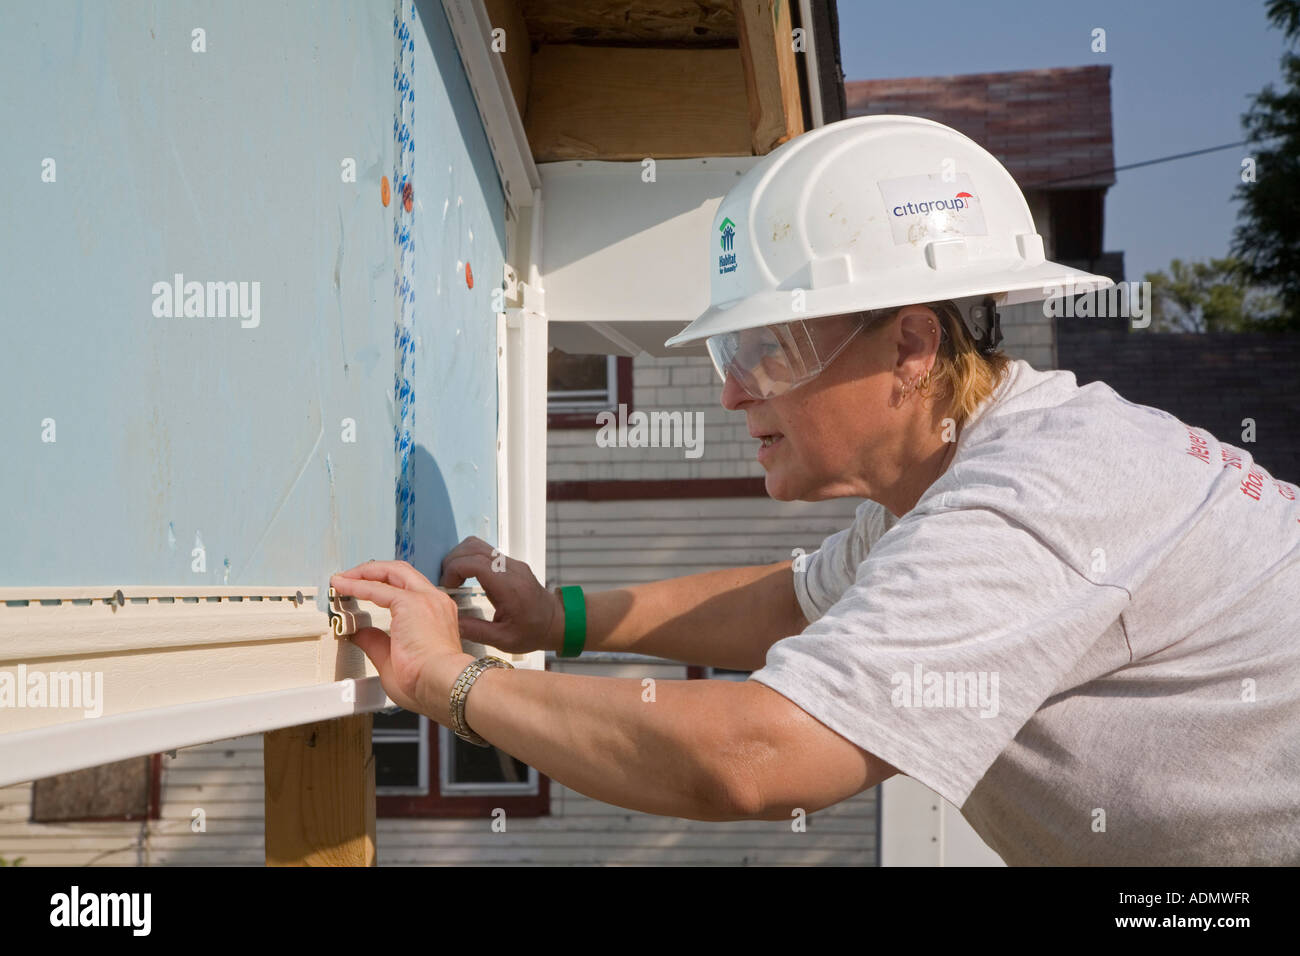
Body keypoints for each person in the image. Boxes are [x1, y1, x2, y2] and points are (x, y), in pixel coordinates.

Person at [330, 115, 1300, 865]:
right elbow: (789, 601)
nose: (732, 386)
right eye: (728, 347)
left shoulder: (1037, 495)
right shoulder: (950, 481)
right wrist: (561, 619)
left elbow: (755, 755)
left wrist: (449, 683)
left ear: (911, 348)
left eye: (770, 346)